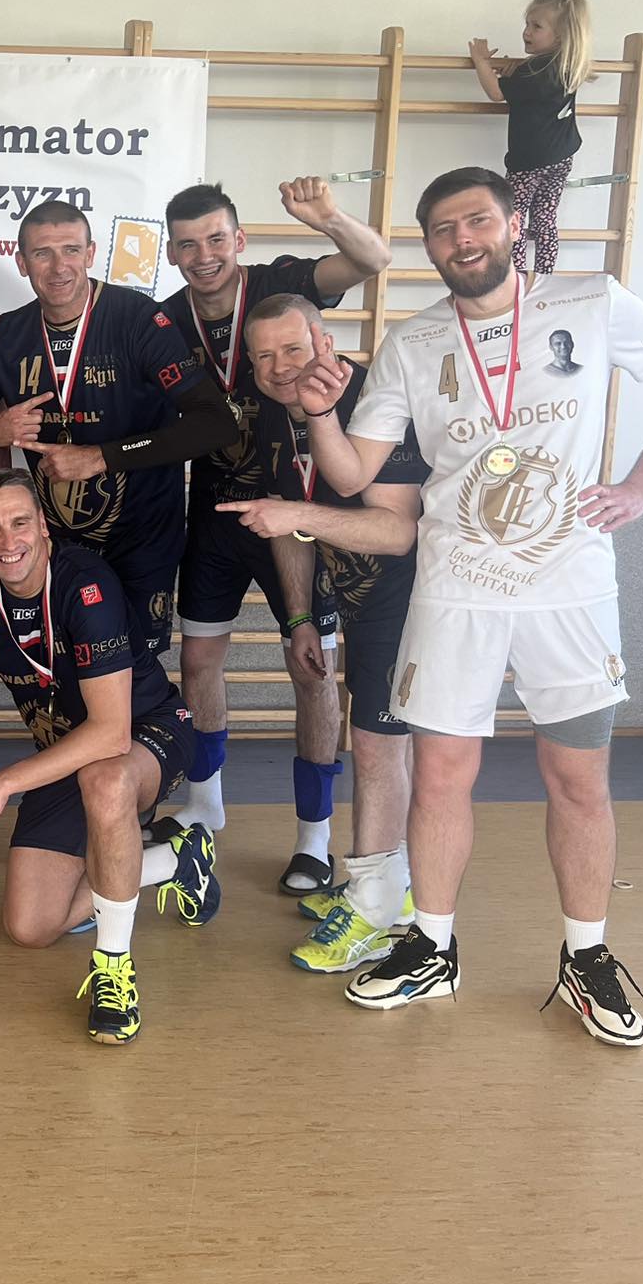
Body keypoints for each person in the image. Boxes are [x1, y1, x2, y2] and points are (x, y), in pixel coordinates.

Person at [300, 166, 643, 1044]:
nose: (464, 239)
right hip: (456, 590)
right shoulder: (414, 343)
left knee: (578, 779)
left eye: (478, 221)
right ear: (429, 246)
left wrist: (641, 487)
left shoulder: (593, 301)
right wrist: (320, 414)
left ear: (511, 225)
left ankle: (586, 958)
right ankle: (432, 947)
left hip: (570, 587)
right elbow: (352, 473)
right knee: (440, 776)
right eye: (444, 229)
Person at [0, 469, 216, 1044]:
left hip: (149, 734)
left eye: (20, 522)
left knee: (105, 782)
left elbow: (111, 734)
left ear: (44, 527)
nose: (8, 541)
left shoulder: (86, 584)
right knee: (30, 928)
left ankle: (114, 970)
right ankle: (173, 861)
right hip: (66, 753)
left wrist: (5, 782)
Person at [158, 177, 391, 884]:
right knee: (198, 661)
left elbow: (372, 259)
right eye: (188, 244)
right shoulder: (163, 321)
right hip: (218, 514)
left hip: (304, 515)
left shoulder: (279, 286)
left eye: (216, 239)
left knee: (310, 670)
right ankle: (205, 807)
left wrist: (328, 217)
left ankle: (314, 839)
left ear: (239, 239)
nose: (205, 255)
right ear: (171, 253)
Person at [0, 200, 235, 668]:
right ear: (21, 261)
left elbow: (216, 423)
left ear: (90, 253)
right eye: (42, 253)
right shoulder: (12, 334)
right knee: (71, 671)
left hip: (142, 539)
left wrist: (101, 457)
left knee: (135, 676)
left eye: (70, 250)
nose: (58, 267)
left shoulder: (139, 320)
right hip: (58, 548)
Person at [218, 294, 424, 972]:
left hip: (415, 595)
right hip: (358, 603)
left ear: (326, 343)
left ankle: (373, 909)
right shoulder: (274, 412)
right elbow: (288, 520)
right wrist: (302, 616)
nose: (280, 367)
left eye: (294, 349)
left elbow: (396, 532)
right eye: (264, 356)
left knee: (378, 747)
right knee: (377, 747)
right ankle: (387, 886)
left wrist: (295, 515)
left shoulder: (376, 401)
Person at [470, 0, 592, 278]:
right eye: (527, 24)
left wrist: (481, 62)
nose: (527, 31)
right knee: (546, 220)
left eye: (537, 26)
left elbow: (496, 92)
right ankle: (546, 275)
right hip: (562, 157)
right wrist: (515, 73)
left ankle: (520, 276)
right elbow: (523, 90)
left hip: (530, 161)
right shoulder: (567, 66)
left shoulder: (534, 70)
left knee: (513, 219)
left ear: (560, 35)